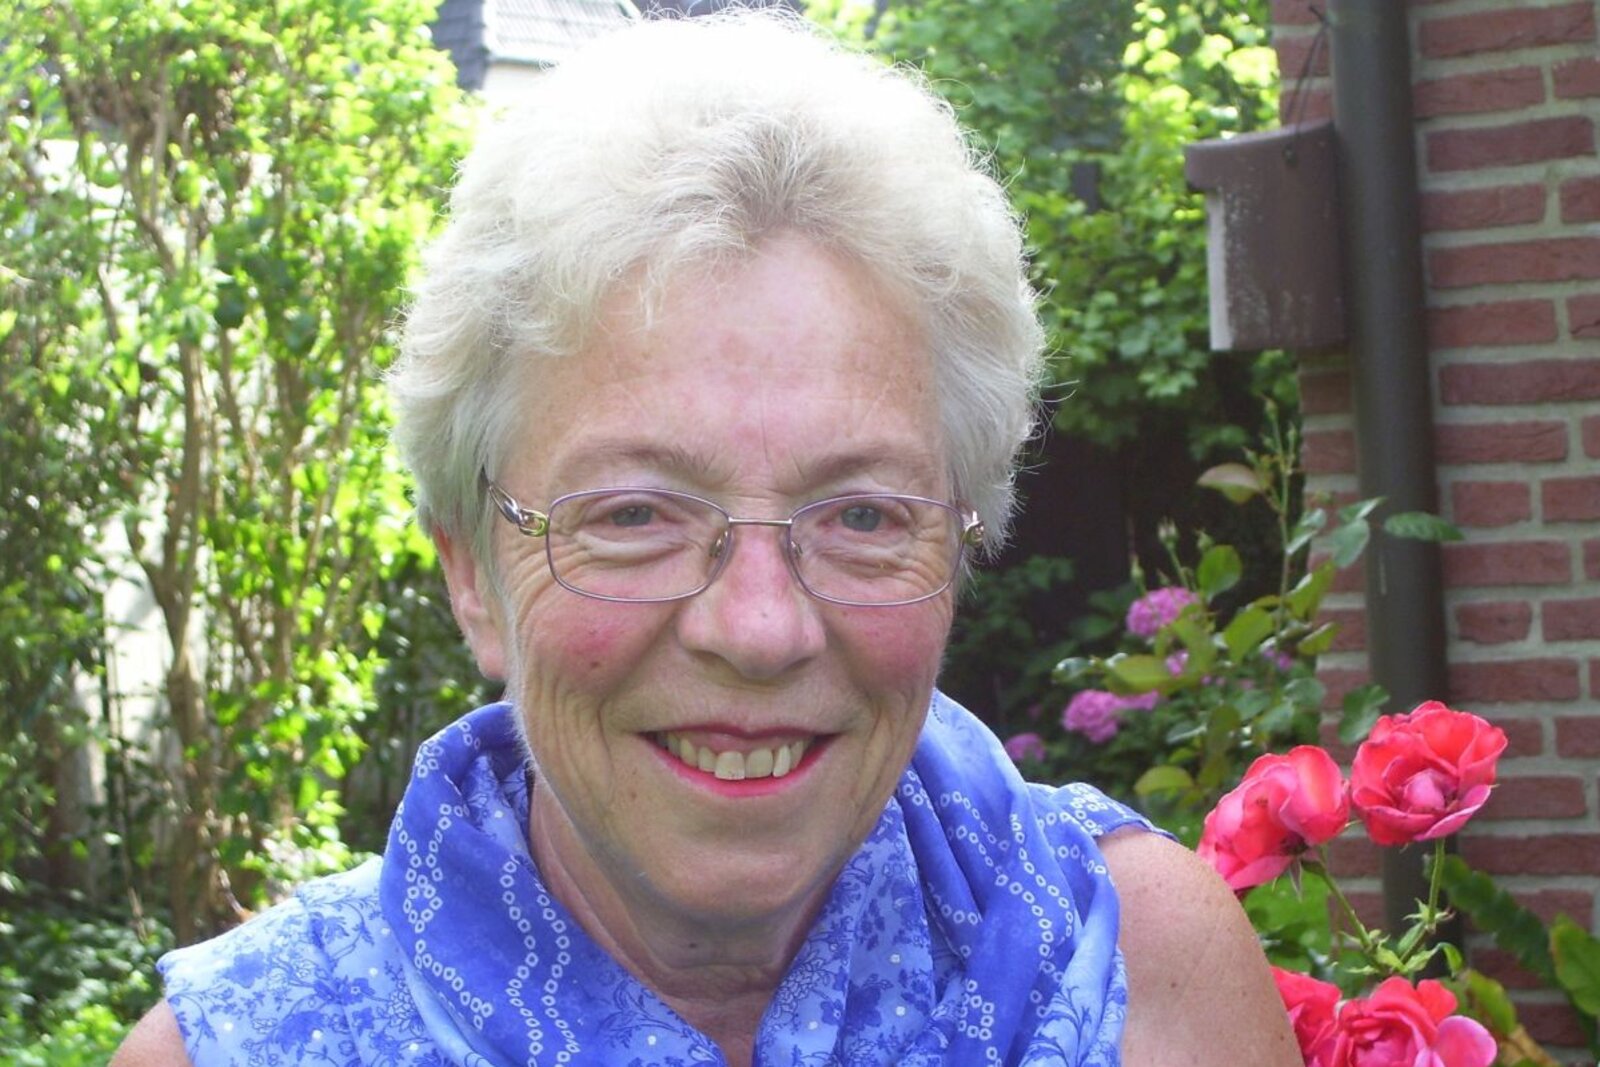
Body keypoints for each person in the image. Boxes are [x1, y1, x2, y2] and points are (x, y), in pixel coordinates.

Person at [113, 11, 1298, 1066]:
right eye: (634, 514)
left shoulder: (1146, 963)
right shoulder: (237, 1048)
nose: (759, 627)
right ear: (471, 571)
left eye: (861, 514)